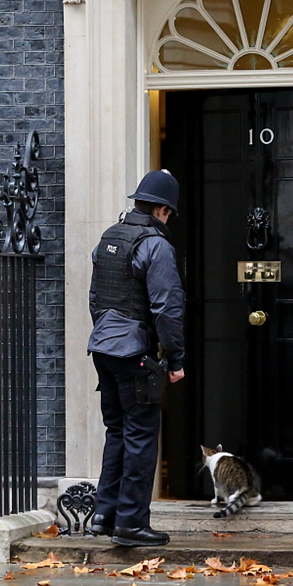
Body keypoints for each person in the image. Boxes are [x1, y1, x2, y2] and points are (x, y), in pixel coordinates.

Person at [87, 169, 186, 547]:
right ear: (163, 209)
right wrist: (175, 360)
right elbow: (167, 308)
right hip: (135, 353)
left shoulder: (109, 237)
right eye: (169, 214)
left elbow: (95, 298)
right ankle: (130, 523)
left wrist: (106, 335)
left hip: (103, 348)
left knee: (116, 432)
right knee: (141, 437)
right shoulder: (155, 245)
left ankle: (104, 515)